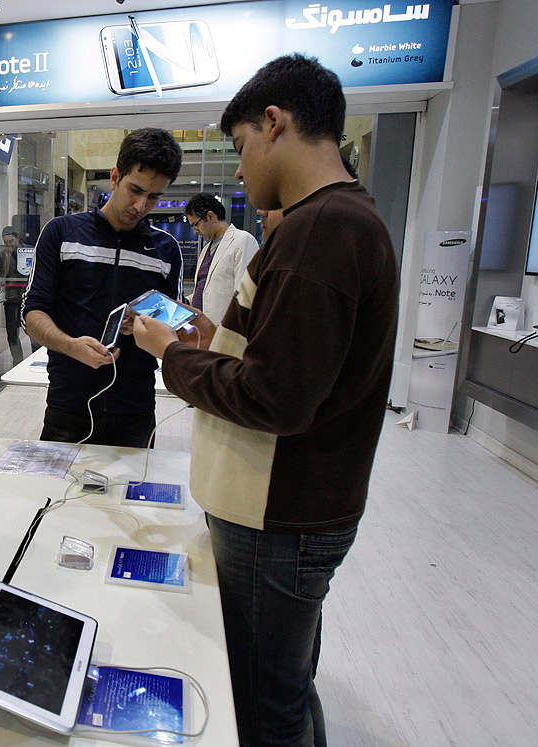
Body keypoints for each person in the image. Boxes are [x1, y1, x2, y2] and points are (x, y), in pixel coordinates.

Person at [131, 54, 399, 746]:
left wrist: (171, 355)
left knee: (262, 704)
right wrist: (205, 339)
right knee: (282, 685)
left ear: (274, 124)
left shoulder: (324, 229)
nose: (241, 170)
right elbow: (277, 357)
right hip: (286, 509)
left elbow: (275, 396)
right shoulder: (328, 222)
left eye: (242, 146)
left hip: (280, 516)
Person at [21, 127, 184, 447]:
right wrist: (69, 345)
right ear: (115, 176)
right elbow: (32, 312)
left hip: (136, 409)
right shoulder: (62, 233)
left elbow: (170, 324)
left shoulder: (165, 249)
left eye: (154, 196)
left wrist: (145, 324)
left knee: (128, 497)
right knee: (52, 495)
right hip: (69, 405)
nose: (140, 205)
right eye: (135, 189)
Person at [184, 192, 260, 325]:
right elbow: (206, 289)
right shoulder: (207, 249)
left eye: (196, 224)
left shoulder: (242, 241)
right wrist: (185, 302)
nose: (195, 230)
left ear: (210, 216)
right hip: (202, 327)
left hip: (224, 326)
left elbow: (245, 293)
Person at [0, 228, 29, 364]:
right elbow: (2, 275)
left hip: (27, 295)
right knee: (12, 332)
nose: (9, 245)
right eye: (6, 243)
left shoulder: (29, 251)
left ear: (18, 238)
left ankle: (35, 356)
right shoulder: (3, 255)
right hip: (11, 296)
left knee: (31, 328)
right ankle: (17, 360)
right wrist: (8, 257)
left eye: (11, 241)